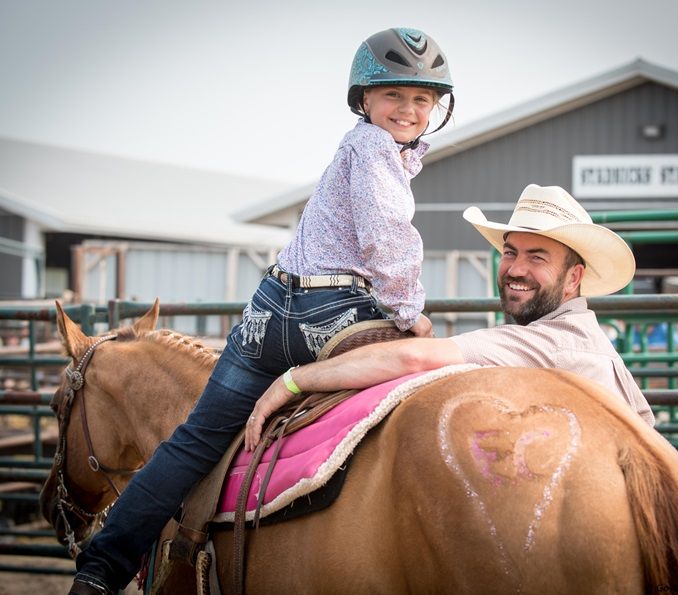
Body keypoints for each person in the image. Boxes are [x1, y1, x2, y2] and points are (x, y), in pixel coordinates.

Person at [70, 27, 454, 595]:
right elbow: (387, 239)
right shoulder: (375, 150)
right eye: (394, 95)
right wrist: (410, 311)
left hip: (269, 309)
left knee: (195, 440)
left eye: (422, 98)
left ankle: (101, 570)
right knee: (421, 378)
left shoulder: (354, 147)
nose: (408, 108)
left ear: (435, 108)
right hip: (332, 312)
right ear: (365, 100)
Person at [245, 183, 655, 451]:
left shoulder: (548, 340)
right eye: (510, 251)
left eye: (537, 257)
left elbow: (413, 359)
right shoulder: (590, 341)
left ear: (574, 278)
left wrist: (293, 381)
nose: (515, 269)